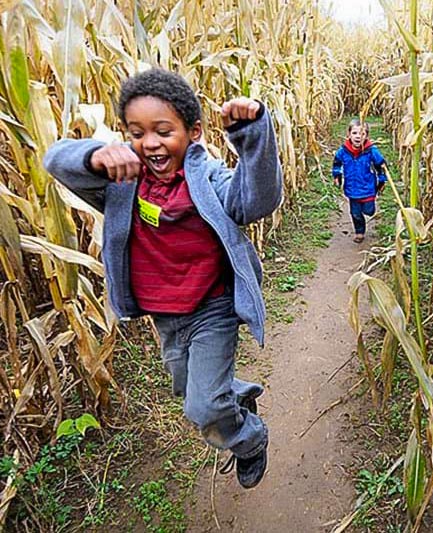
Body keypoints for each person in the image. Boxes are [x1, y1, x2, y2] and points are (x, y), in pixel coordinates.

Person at [43, 68, 282, 489]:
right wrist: (94, 156)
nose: (149, 142)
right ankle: (235, 394)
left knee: (203, 409)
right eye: (136, 132)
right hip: (165, 316)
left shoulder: (209, 180)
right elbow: (54, 161)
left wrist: (253, 134)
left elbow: (256, 201)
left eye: (163, 130)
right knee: (188, 389)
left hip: (212, 307)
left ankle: (250, 440)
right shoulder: (122, 184)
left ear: (194, 132)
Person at [332, 119, 387, 243]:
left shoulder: (371, 151)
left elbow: (381, 166)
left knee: (368, 210)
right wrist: (337, 176)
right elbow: (337, 163)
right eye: (355, 133)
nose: (358, 137)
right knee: (355, 213)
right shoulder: (343, 151)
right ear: (349, 134)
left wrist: (382, 180)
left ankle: (368, 210)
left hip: (368, 187)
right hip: (352, 188)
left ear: (367, 136)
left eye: (362, 134)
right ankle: (359, 232)